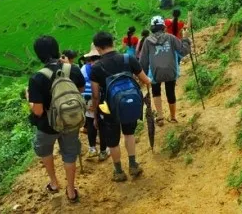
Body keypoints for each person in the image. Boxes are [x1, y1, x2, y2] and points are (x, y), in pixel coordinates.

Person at [26, 36, 85, 203]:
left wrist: (28, 98)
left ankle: (54, 182)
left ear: (38, 55)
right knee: (70, 153)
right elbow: (80, 90)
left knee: (45, 151)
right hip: (70, 121)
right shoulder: (72, 69)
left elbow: (37, 111)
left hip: (47, 126)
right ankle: (71, 191)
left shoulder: (37, 78)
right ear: (57, 49)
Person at [89, 31, 153, 182]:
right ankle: (133, 165)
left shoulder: (96, 67)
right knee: (129, 134)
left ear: (98, 48)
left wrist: (95, 113)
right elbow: (146, 80)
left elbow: (96, 95)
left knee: (113, 141)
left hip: (108, 109)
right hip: (129, 104)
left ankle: (118, 172)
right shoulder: (128, 58)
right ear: (113, 42)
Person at [140, 16, 191, 126]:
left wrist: (142, 76)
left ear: (152, 28)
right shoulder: (171, 38)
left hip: (155, 72)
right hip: (170, 70)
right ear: (163, 27)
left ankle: (160, 116)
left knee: (156, 91)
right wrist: (186, 39)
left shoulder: (147, 41)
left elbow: (143, 60)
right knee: (170, 91)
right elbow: (183, 51)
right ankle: (172, 117)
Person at [81, 44, 107, 159]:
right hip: (101, 97)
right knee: (102, 123)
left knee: (90, 121)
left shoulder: (84, 68)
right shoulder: (104, 65)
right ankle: (103, 151)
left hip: (87, 97)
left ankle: (92, 149)